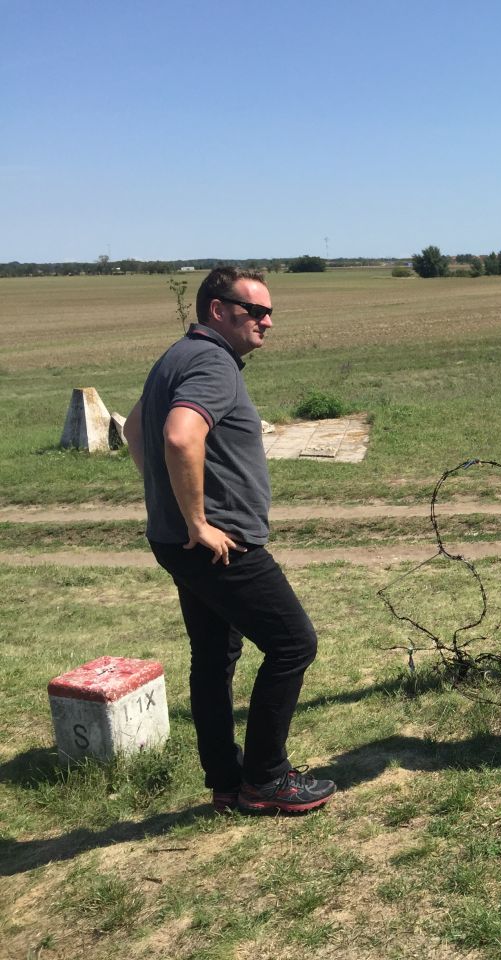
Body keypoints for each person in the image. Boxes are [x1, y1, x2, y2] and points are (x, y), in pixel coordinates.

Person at [122, 266, 336, 814]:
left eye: (270, 312)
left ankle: (225, 781)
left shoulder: (176, 356)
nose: (267, 321)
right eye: (255, 311)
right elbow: (179, 436)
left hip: (179, 541)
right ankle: (266, 780)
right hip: (220, 543)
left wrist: (168, 501)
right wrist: (197, 520)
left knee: (215, 656)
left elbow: (134, 427)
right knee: (293, 644)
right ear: (218, 310)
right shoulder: (212, 362)